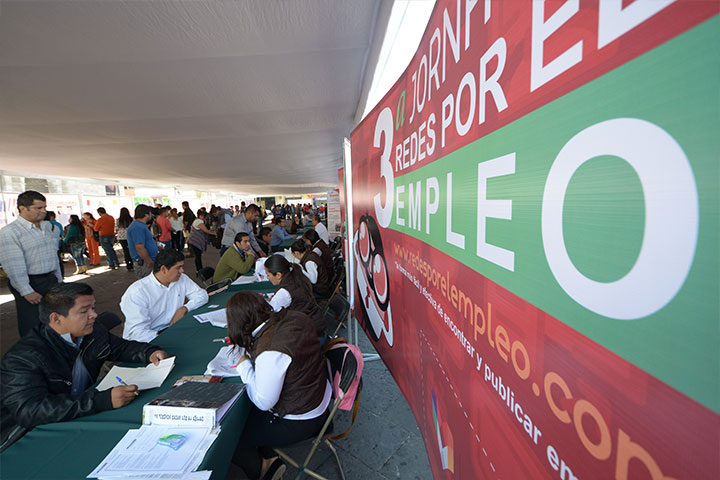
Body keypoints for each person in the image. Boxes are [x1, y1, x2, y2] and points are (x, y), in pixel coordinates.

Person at [0, 282, 169, 452]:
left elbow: (121, 348)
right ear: (56, 319)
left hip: (78, 415)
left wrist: (149, 352)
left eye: (93, 308)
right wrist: (101, 400)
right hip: (29, 436)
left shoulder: (92, 332)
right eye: (84, 311)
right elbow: (30, 411)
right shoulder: (23, 358)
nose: (94, 315)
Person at [227, 291, 331, 480]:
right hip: (317, 397)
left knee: (230, 431)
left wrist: (243, 366)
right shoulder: (295, 316)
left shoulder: (271, 350)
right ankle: (268, 454)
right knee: (246, 413)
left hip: (301, 419)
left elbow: (263, 402)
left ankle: (263, 468)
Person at [0, 191, 63, 336]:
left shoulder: (48, 227)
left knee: (55, 321)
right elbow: (13, 264)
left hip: (51, 280)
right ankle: (35, 350)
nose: (43, 211)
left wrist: (59, 279)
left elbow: (54, 256)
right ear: (22, 208)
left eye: (44, 207)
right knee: (33, 325)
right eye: (38, 208)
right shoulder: (10, 232)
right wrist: (26, 290)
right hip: (32, 283)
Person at [120, 248, 208, 342]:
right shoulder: (137, 292)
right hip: (147, 339)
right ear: (163, 269)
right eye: (178, 268)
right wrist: (168, 338)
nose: (182, 271)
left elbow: (202, 295)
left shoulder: (181, 279)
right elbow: (138, 333)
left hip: (171, 329)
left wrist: (185, 308)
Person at [265, 255, 325, 337]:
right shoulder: (297, 277)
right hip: (315, 322)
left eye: (268, 275)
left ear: (278, 275)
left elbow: (269, 312)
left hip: (306, 332)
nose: (267, 278)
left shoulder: (284, 292)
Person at [126, 204, 158, 278]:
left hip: (146, 262)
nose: (152, 215)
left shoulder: (140, 226)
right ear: (146, 214)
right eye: (150, 213)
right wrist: (149, 261)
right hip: (144, 263)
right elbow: (139, 247)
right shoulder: (137, 227)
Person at [45, 211, 65, 277]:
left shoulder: (43, 226)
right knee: (58, 261)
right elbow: (61, 234)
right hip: (57, 245)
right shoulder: (58, 225)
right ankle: (61, 276)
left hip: (47, 248)